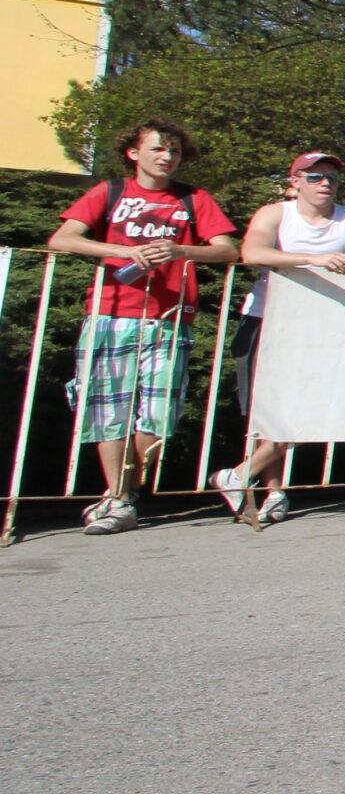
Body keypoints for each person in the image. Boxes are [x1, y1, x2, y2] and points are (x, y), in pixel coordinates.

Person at [47, 119, 241, 533]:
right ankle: (120, 498)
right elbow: (62, 239)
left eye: (174, 151)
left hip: (170, 319)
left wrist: (179, 250)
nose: (167, 157)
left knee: (158, 414)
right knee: (108, 409)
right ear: (134, 153)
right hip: (111, 314)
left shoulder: (193, 198)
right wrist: (123, 252)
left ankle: (123, 492)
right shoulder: (110, 191)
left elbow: (227, 250)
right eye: (157, 149)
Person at [216, 151, 345, 526]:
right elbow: (252, 252)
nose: (325, 183)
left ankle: (239, 475)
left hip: (323, 327)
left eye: (331, 177)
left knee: (307, 409)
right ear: (294, 182)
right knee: (267, 413)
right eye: (315, 177)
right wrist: (313, 259)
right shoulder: (275, 213)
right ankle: (273, 492)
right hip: (267, 319)